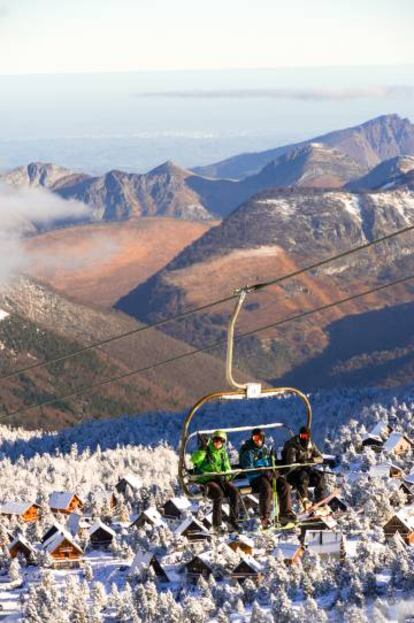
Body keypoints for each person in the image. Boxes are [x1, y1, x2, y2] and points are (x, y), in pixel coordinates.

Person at [239, 428, 296, 528]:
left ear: (263, 439)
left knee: (285, 485)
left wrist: (276, 473)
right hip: (256, 477)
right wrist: (262, 471)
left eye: (259, 438)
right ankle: (265, 517)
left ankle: (285, 514)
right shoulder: (248, 452)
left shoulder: (265, 450)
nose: (257, 440)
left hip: (268, 475)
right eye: (255, 438)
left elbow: (271, 465)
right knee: (267, 488)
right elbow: (248, 469)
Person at [191, 430, 240, 532]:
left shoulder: (223, 454)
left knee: (234, 491)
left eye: (221, 440)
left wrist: (225, 476)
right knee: (218, 494)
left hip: (219, 478)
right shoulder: (206, 451)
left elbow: (227, 468)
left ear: (224, 442)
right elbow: (195, 460)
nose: (218, 442)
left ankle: (233, 521)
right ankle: (217, 524)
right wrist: (202, 449)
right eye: (216, 440)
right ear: (212, 440)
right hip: (207, 479)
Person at [282, 426, 328, 509]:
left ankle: (320, 501)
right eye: (302, 436)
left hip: (306, 470)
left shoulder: (311, 445)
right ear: (299, 436)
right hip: (293, 474)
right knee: (303, 477)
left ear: (309, 436)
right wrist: (300, 463)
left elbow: (320, 458)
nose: (304, 438)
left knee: (319, 476)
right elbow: (290, 465)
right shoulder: (293, 447)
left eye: (306, 436)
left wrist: (311, 460)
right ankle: (304, 500)